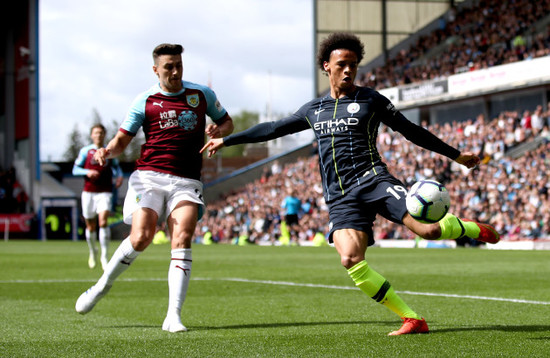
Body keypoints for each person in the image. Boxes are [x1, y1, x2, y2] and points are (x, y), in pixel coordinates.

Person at [201, 32, 500, 336]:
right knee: (350, 259)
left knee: (430, 229)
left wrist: (456, 155)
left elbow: (411, 131)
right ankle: (412, 319)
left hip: (374, 180)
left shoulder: (371, 99)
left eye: (353, 65)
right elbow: (273, 129)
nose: (348, 70)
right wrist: (227, 140)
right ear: (326, 66)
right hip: (340, 196)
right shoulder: (312, 110)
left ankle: (473, 229)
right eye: (342, 64)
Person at [75, 43, 234, 333]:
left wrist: (217, 131)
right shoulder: (144, 101)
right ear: (155, 70)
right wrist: (106, 151)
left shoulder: (201, 95)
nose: (175, 72)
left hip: (186, 180)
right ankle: (101, 285)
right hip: (149, 176)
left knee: (182, 236)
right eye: (168, 67)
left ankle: (173, 316)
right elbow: (122, 140)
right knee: (142, 237)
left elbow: (227, 122)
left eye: (179, 65)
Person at [73, 124, 123, 270]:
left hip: (105, 191)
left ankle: (104, 256)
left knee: (103, 222)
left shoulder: (109, 151)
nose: (99, 135)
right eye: (96, 133)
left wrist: (119, 177)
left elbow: (117, 167)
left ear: (104, 134)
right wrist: (86, 172)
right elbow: (75, 169)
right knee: (90, 225)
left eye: (101, 133)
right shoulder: (85, 151)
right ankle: (92, 251)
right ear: (91, 135)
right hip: (89, 192)